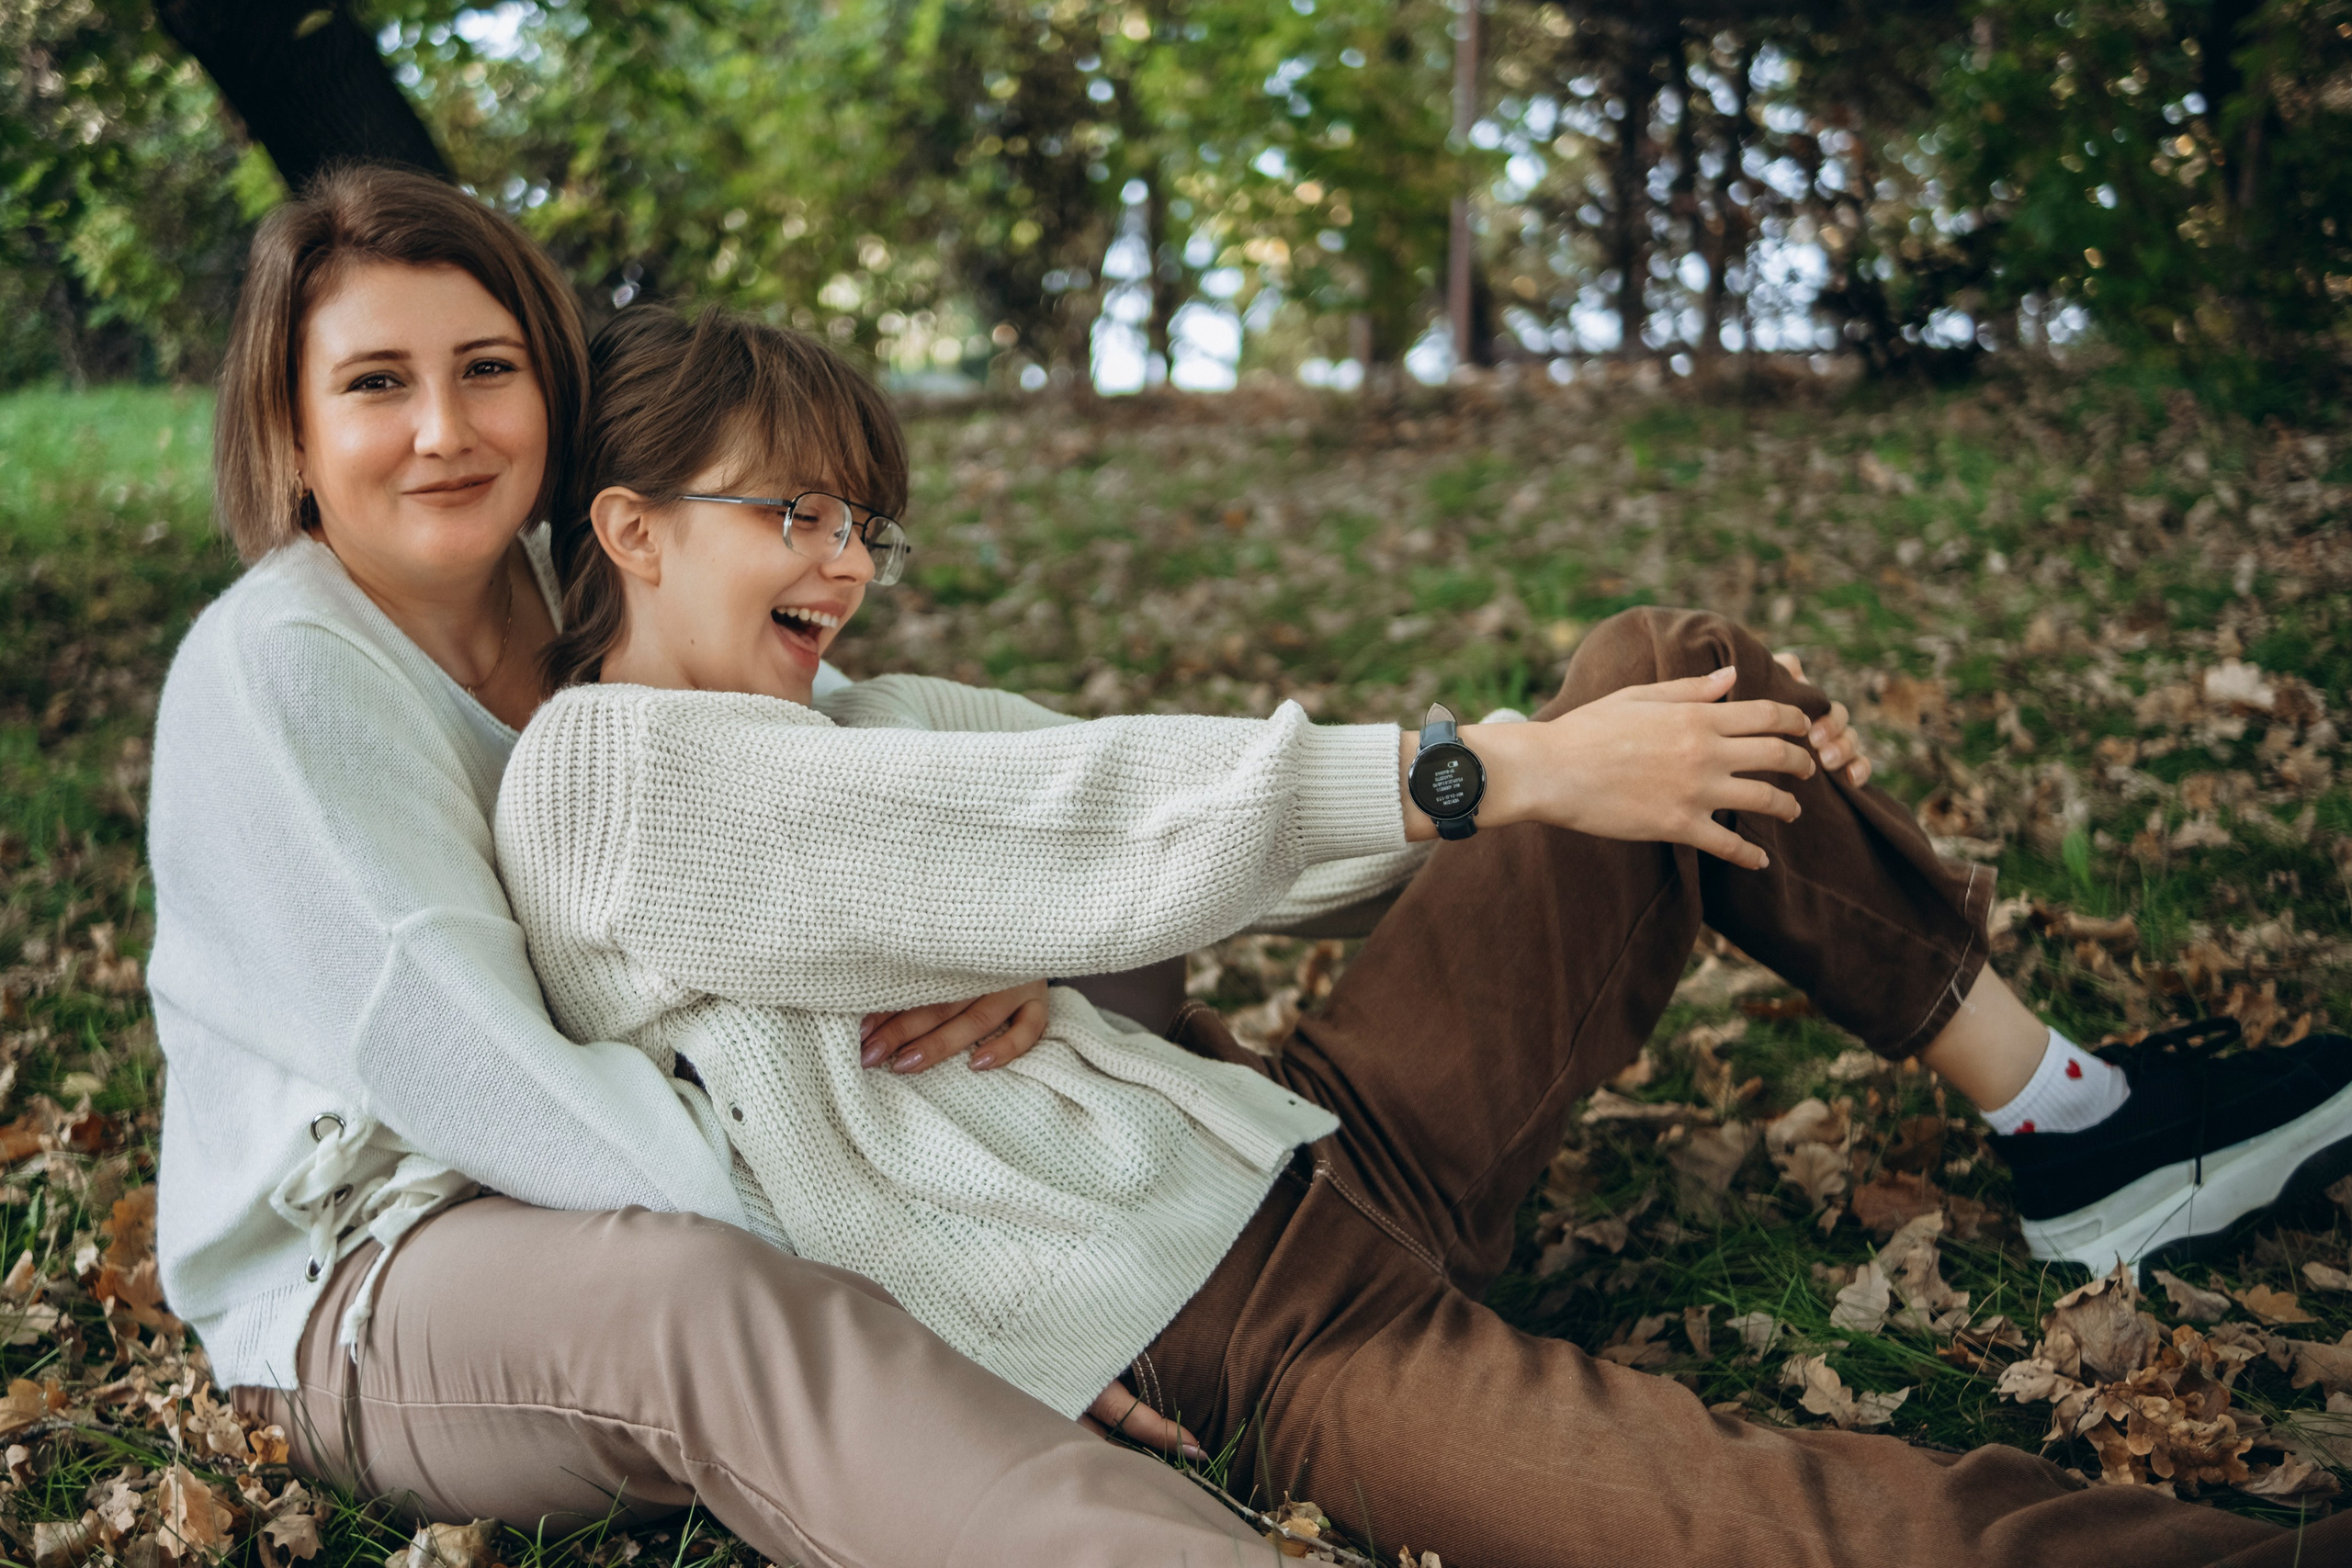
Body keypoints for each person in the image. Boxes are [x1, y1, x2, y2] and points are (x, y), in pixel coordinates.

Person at [493, 299, 2352, 1568]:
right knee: (1770, 1528)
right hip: (1247, 1336)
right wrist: (1490, 773)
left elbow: (1192, 831)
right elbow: (1071, 823)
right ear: (633, 528)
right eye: (793, 512)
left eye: (865, 525)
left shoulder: (866, 725)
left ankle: (2075, 1118)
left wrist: (1567, 773)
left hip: (1320, 1138)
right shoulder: (601, 776)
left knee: (1662, 680)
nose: (839, 562)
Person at [151, 164, 1285, 1568]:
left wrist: (1020, 954)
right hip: (380, 1278)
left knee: (1086, 1025)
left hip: (689, 1168)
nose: (444, 430)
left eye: (487, 369)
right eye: (377, 383)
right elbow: (487, 1079)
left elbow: (876, 819)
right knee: (702, 1303)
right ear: (294, 432)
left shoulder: (606, 572)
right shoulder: (280, 670)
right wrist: (937, 1293)